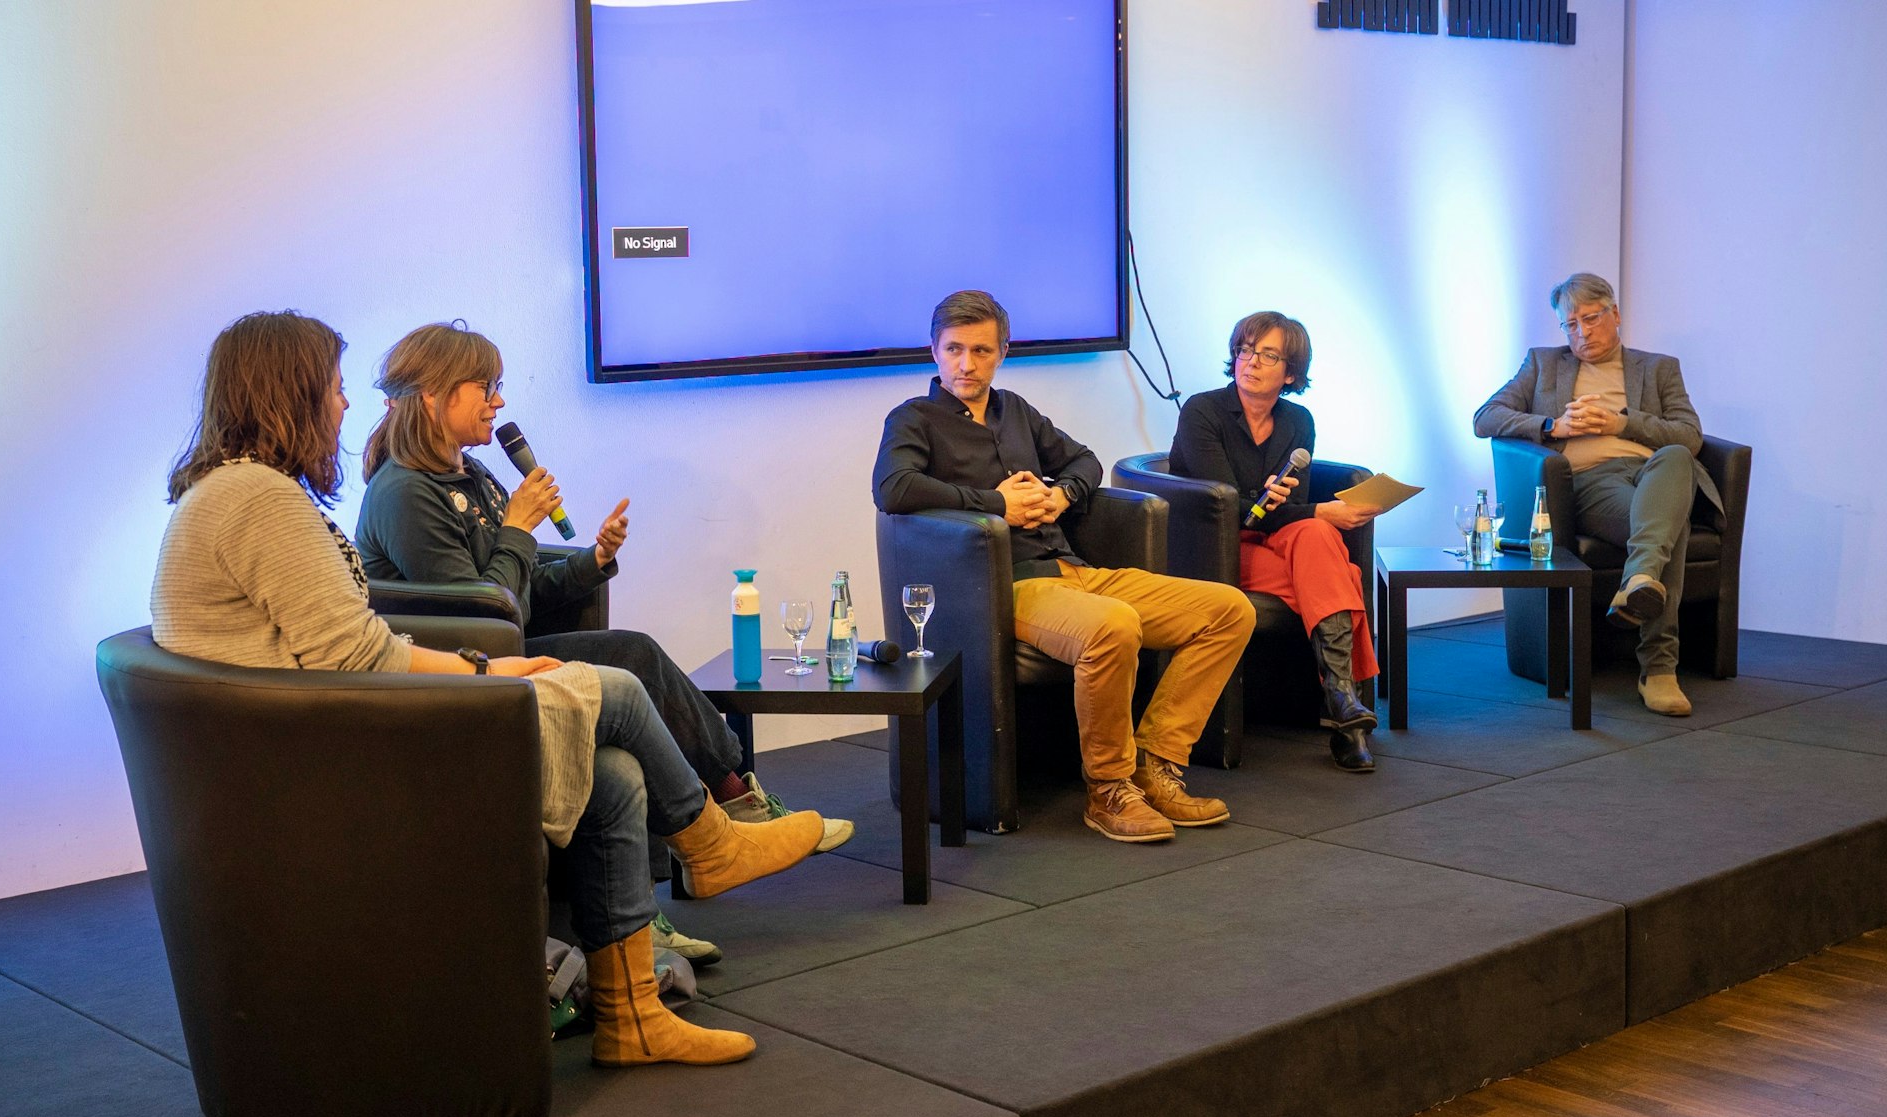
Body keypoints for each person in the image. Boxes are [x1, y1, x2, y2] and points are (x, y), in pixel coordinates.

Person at [151, 310, 834, 1069]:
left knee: (614, 772)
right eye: (336, 389)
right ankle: (711, 842)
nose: (347, 406)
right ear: (289, 394)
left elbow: (362, 643)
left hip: (333, 741)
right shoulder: (260, 500)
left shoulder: (244, 494)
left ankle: (633, 1014)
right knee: (613, 685)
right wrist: (490, 668)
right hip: (335, 770)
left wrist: (506, 652)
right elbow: (366, 652)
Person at [351, 322, 854, 963]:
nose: (499, 403)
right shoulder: (403, 493)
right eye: (486, 387)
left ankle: (670, 885)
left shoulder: (468, 472)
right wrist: (517, 527)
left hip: (508, 645)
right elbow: (482, 616)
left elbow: (520, 589)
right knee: (633, 658)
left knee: (630, 666)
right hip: (469, 674)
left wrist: (591, 560)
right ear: (433, 396)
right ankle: (731, 813)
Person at [873, 290, 1255, 843]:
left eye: (981, 351)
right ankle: (1108, 789)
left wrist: (1062, 497)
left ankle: (1158, 763)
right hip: (1010, 585)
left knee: (1227, 609)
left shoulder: (1017, 412)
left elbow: (1085, 461)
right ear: (934, 350)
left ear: (1002, 351)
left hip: (1077, 570)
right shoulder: (915, 418)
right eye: (954, 349)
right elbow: (894, 488)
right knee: (1114, 625)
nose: (966, 364)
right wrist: (996, 504)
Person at [1473, 273, 1722, 716]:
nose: (1582, 333)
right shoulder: (1542, 364)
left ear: (1616, 315)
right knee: (1670, 522)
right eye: (1570, 324)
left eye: (1590, 319)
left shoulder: (1658, 367)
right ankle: (1659, 668)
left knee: (1676, 461)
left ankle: (1640, 583)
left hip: (1653, 471)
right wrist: (1553, 426)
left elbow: (1690, 435)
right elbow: (1485, 417)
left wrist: (1621, 423)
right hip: (1590, 482)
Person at [1168, 311, 1382, 771]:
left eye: (1268, 355)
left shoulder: (1297, 421)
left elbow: (1286, 511)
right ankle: (1348, 717)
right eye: (1245, 350)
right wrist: (1314, 510)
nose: (1251, 362)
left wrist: (1304, 512)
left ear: (1290, 372)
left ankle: (1344, 705)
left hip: (1273, 538)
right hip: (1217, 547)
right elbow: (1225, 506)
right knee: (1339, 572)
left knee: (1317, 535)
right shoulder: (1202, 411)